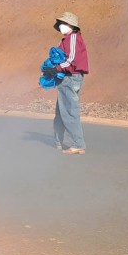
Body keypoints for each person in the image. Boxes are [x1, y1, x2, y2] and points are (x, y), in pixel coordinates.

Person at [52, 12, 89, 154]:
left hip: (70, 77)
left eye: (64, 23)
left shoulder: (73, 38)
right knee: (61, 112)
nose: (62, 26)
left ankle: (78, 144)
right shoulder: (65, 40)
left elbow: (71, 59)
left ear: (72, 26)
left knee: (69, 111)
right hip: (66, 77)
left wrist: (56, 68)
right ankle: (58, 141)